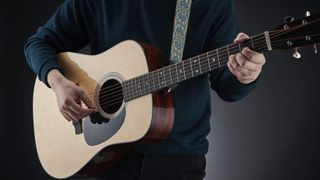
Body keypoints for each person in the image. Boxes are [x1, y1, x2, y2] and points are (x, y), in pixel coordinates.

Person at [24, 0, 265, 179]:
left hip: (178, 162)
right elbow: (38, 43)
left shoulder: (211, 3)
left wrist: (245, 75)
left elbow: (227, 87)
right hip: (110, 157)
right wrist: (56, 81)